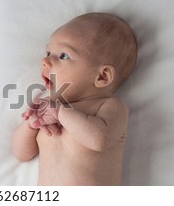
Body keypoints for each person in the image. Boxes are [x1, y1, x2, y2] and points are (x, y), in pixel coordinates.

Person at [12, 12, 137, 185]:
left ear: (102, 76)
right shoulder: (48, 109)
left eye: (63, 55)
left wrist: (61, 113)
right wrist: (30, 126)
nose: (45, 61)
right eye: (48, 53)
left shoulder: (109, 106)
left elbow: (99, 140)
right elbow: (22, 154)